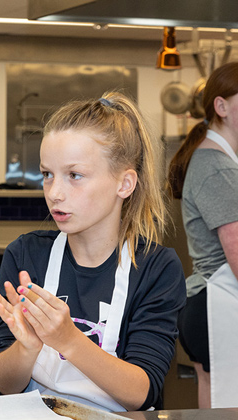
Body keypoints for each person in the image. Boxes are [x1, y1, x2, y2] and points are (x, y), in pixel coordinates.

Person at [0, 92, 186, 412]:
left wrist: (69, 340)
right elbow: (4, 383)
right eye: (47, 174)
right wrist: (25, 349)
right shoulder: (26, 255)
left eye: (74, 176)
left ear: (124, 184)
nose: (54, 193)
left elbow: (142, 392)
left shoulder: (156, 267)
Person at [167, 62, 238, 409]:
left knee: (217, 405)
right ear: (221, 107)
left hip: (208, 303)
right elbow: (237, 253)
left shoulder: (219, 160)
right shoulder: (216, 166)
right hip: (220, 304)